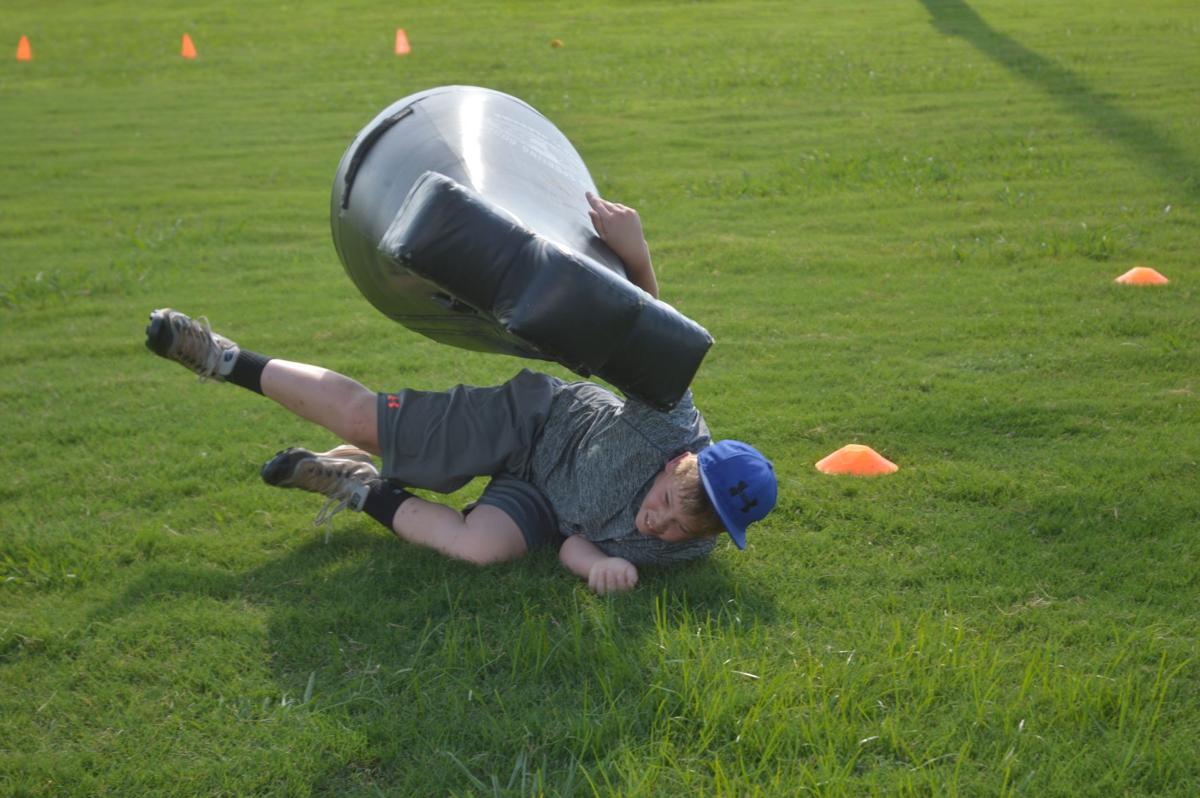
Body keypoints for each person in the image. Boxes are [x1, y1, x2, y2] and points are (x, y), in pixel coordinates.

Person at [145, 192, 777, 594]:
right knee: (368, 422)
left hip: (542, 498)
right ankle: (223, 357)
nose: (657, 523)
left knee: (478, 551)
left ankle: (356, 487)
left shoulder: (687, 543)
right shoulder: (671, 424)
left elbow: (582, 542)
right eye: (667, 502)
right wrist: (636, 255)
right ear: (678, 462)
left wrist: (596, 567)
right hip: (534, 424)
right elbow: (644, 330)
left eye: (673, 529)